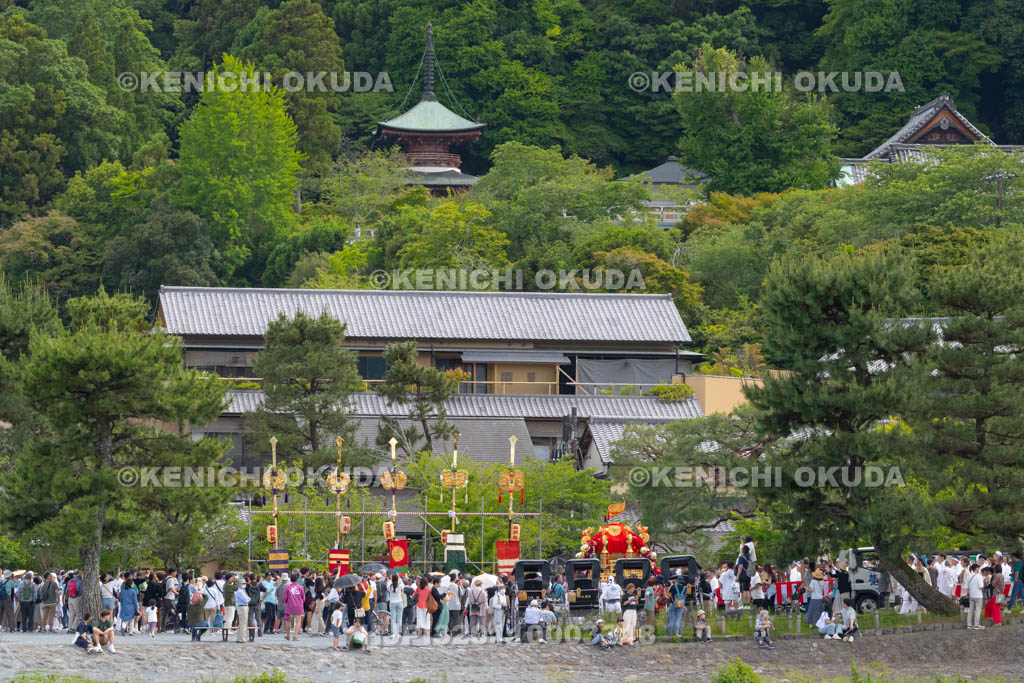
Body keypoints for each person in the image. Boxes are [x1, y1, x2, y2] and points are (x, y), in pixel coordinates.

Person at [283, 572, 305, 641]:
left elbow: (284, 599)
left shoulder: (288, 587)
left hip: (290, 606)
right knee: (298, 622)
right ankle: (295, 636)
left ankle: (288, 635)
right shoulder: (300, 587)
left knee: (288, 621)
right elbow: (303, 598)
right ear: (297, 579)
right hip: (299, 606)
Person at [966, 563, 985, 630]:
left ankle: (969, 625)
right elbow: (981, 586)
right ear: (976, 568)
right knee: (978, 610)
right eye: (978, 568)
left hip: (971, 595)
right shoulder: (979, 576)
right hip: (978, 595)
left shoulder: (969, 576)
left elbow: (966, 587)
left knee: (970, 610)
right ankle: (976, 625)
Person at [234, 578, 250, 643]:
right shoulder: (240, 591)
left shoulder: (243, 591)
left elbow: (248, 598)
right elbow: (246, 600)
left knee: (242, 623)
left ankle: (239, 638)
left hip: (243, 607)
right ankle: (242, 638)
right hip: (242, 607)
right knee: (243, 623)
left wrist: (248, 599)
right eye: (243, 583)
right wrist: (248, 599)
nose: (244, 584)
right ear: (239, 584)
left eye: (244, 583)